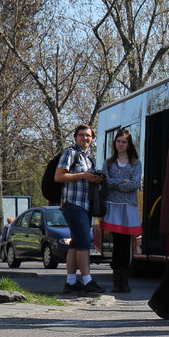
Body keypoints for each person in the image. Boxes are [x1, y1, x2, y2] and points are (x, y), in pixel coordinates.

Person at [54, 124, 106, 294]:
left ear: (92, 138)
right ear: (76, 137)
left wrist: (95, 179)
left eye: (88, 136)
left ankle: (70, 282)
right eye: (82, 135)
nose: (85, 138)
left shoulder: (88, 158)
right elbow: (59, 176)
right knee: (84, 242)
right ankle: (87, 280)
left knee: (76, 244)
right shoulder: (70, 153)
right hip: (72, 203)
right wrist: (83, 175)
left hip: (85, 204)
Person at [101, 129, 142, 293]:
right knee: (117, 244)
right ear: (115, 143)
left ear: (128, 144)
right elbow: (105, 181)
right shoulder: (109, 162)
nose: (121, 144)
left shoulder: (136, 162)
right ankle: (116, 281)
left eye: (124, 142)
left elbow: (135, 183)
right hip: (113, 206)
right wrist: (121, 182)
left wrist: (117, 184)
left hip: (129, 207)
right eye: (118, 141)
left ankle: (125, 281)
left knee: (126, 245)